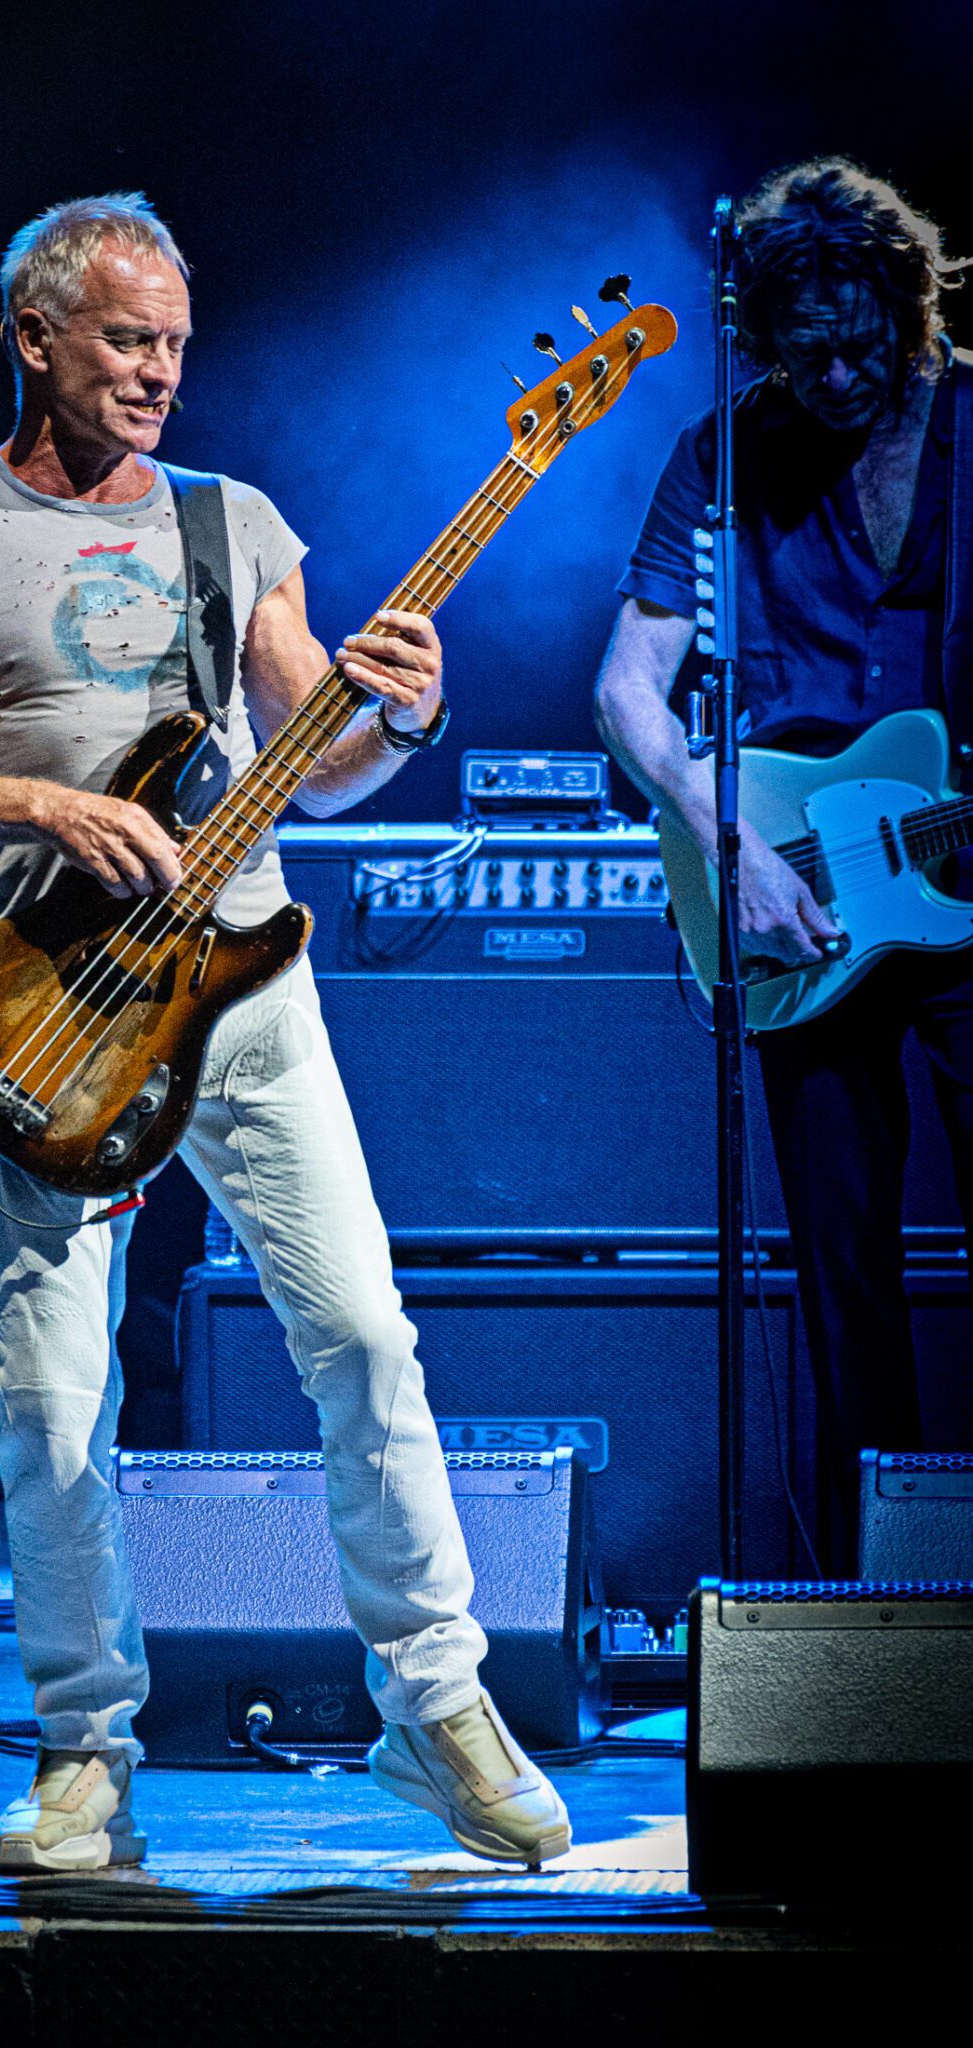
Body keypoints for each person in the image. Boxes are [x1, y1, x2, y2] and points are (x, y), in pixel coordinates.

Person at [0, 193, 570, 1872]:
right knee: (52, 1401)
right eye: (125, 340)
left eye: (175, 342)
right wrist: (42, 804)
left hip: (246, 987)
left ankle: (436, 1707)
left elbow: (326, 766)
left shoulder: (231, 522)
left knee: (365, 1342)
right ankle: (85, 1752)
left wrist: (406, 715)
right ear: (33, 337)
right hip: (56, 1010)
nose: (161, 371)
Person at [594, 159, 972, 1571]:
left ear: (908, 309)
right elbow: (628, 691)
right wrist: (730, 843)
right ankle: (871, 1603)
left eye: (863, 345)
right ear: (758, 335)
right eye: (805, 354)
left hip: (962, 874)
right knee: (841, 1273)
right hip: (801, 892)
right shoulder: (724, 453)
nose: (839, 378)